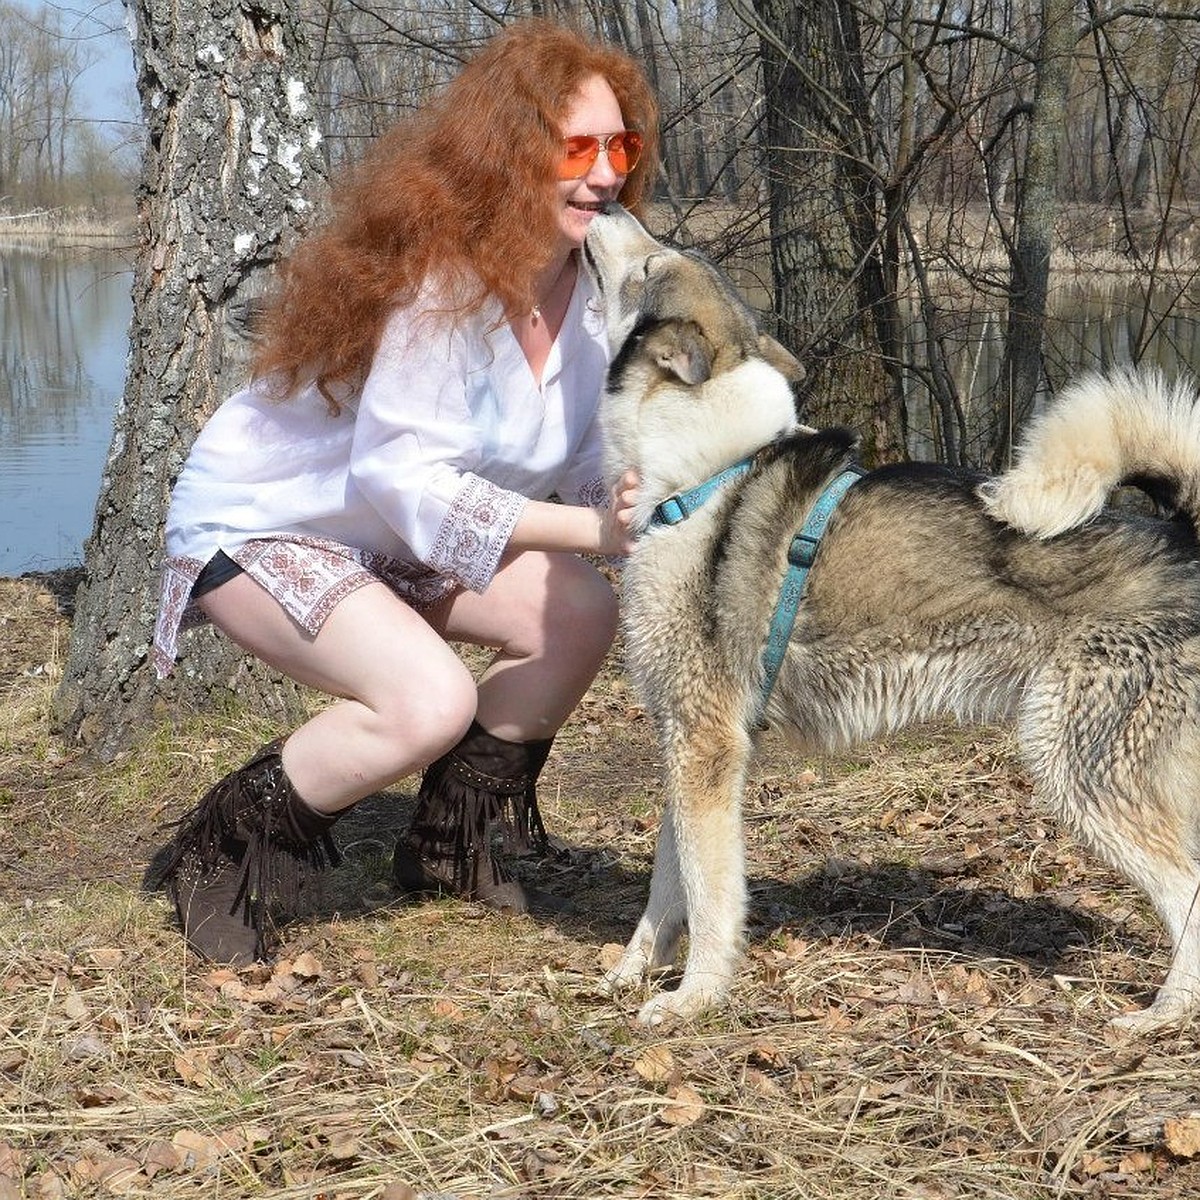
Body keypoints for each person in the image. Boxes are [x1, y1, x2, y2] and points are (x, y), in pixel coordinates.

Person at [145, 19, 658, 965]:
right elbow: (403, 475)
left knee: (579, 610)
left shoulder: (594, 291)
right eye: (575, 147)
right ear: (511, 156)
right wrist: (593, 523)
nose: (605, 173)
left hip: (394, 531)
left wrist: (641, 503)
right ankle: (220, 852)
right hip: (267, 521)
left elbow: (581, 452)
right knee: (427, 704)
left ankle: (451, 843)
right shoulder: (445, 282)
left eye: (619, 145)